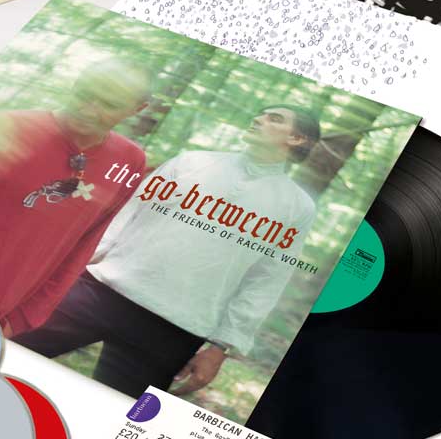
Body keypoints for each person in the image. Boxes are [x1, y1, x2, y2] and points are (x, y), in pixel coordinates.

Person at [16, 106, 321, 397]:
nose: (258, 119)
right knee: (9, 355)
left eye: (274, 119)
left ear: (297, 138)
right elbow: (125, 215)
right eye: (261, 114)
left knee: (113, 415)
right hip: (101, 291)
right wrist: (68, 270)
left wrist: (221, 346)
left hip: (175, 330)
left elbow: (267, 280)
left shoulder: (297, 207)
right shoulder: (191, 162)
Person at [0, 57, 153, 339]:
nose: (87, 110)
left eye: (108, 104)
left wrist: (22, 318)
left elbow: (83, 246)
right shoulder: (2, 127)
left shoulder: (130, 162)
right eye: (84, 94)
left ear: (137, 109)